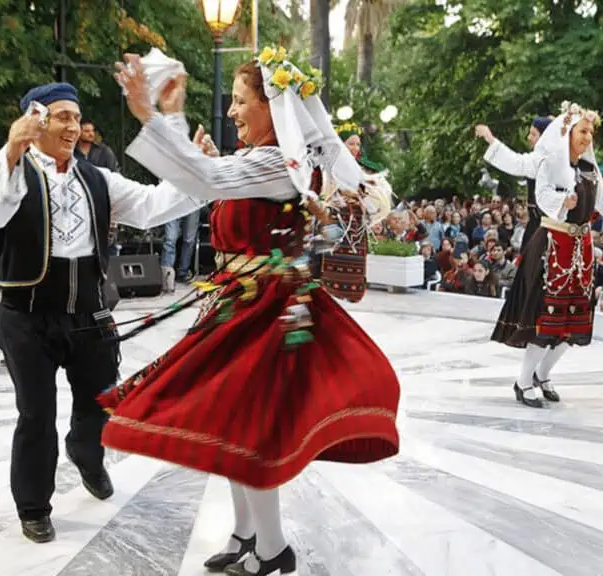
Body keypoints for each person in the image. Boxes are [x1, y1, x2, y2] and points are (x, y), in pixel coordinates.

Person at [100, 50, 400, 576]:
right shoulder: (258, 160)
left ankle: (272, 548)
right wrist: (168, 118)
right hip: (240, 302)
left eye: (241, 102)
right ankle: (247, 535)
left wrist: (152, 115)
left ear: (272, 108)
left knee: (247, 428)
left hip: (268, 309)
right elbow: (202, 179)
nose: (233, 111)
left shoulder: (276, 164)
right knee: (230, 423)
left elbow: (208, 178)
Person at [0, 81, 207, 544]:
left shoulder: (97, 178)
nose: (73, 126)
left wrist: (192, 170)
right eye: (61, 117)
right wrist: (13, 148)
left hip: (88, 313)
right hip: (26, 316)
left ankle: (86, 453)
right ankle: (33, 506)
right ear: (35, 121)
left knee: (100, 403)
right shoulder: (14, 175)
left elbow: (153, 205)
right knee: (35, 415)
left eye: (76, 117)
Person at [488, 103, 603, 407]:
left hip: (581, 249)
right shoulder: (551, 162)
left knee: (574, 320)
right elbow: (542, 195)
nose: (588, 137)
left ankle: (543, 373)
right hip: (553, 244)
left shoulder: (590, 170)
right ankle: (523, 381)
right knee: (546, 316)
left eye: (591, 132)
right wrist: (564, 200)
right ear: (568, 132)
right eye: (583, 131)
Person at [317, 121, 392, 302]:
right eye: (351, 143)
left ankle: (350, 292)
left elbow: (376, 207)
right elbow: (320, 196)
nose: (355, 147)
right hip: (334, 221)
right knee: (325, 262)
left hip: (356, 226)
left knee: (354, 269)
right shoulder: (326, 169)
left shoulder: (365, 172)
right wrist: (337, 195)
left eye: (358, 144)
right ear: (341, 145)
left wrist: (360, 194)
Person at [475, 116, 552, 249]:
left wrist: (490, 138)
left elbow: (516, 163)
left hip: (547, 223)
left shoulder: (545, 158)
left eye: (533, 134)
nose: (528, 137)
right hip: (538, 222)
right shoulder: (544, 156)